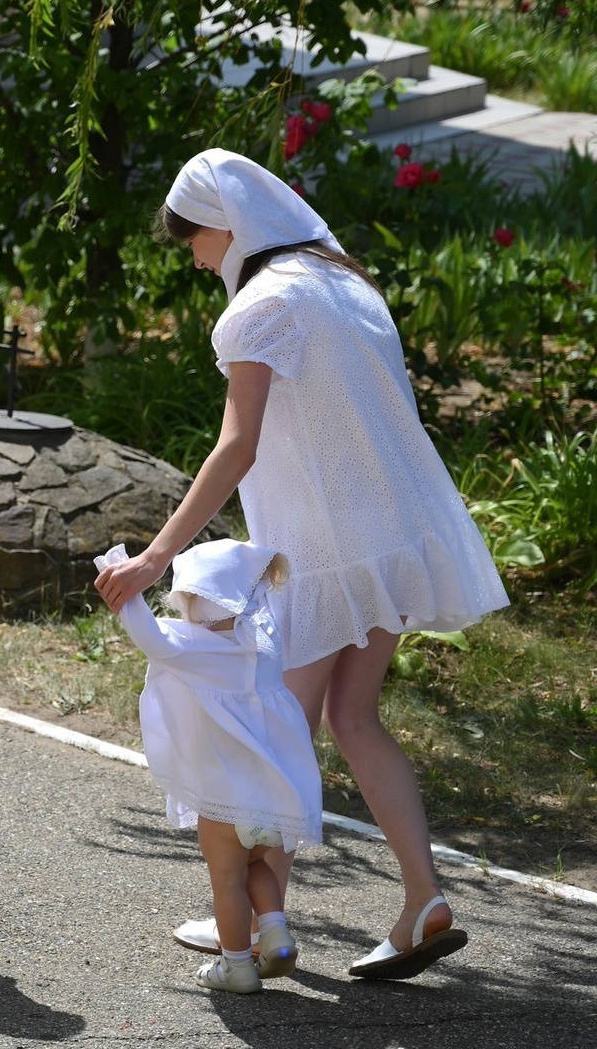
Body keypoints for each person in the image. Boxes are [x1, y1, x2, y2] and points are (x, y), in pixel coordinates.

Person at [95, 149, 508, 981]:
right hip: (392, 541)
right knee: (351, 721)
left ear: (227, 225)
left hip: (316, 555)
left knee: (272, 736)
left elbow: (236, 446)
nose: (195, 256)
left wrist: (155, 557)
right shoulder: (348, 285)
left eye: (194, 240)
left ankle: (248, 922)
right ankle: (422, 897)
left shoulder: (258, 306)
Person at [94, 539, 322, 993]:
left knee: (227, 881)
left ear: (199, 599)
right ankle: (274, 929)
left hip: (223, 800)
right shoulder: (265, 642)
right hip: (270, 792)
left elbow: (148, 636)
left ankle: (236, 966)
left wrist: (121, 573)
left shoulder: (195, 648)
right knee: (257, 865)